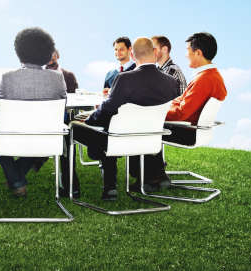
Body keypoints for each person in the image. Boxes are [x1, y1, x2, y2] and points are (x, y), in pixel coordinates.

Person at [63, 37, 180, 200]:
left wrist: (89, 120)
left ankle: (104, 188)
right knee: (109, 126)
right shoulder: (171, 82)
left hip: (119, 138)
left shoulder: (124, 79)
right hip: (151, 139)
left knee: (75, 128)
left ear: (132, 55)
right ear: (154, 52)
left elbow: (107, 110)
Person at [0, 28, 67, 197]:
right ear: (47, 52)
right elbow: (63, 104)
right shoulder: (57, 78)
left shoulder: (7, 77)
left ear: (20, 51)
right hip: (47, 139)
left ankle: (16, 181)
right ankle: (19, 174)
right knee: (37, 137)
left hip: (12, 138)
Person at [164, 32, 227, 146]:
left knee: (138, 125)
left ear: (198, 53)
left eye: (187, 50)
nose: (186, 55)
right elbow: (183, 101)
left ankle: (150, 164)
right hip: (187, 128)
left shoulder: (205, 80)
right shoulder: (212, 76)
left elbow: (181, 113)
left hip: (185, 131)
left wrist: (156, 112)